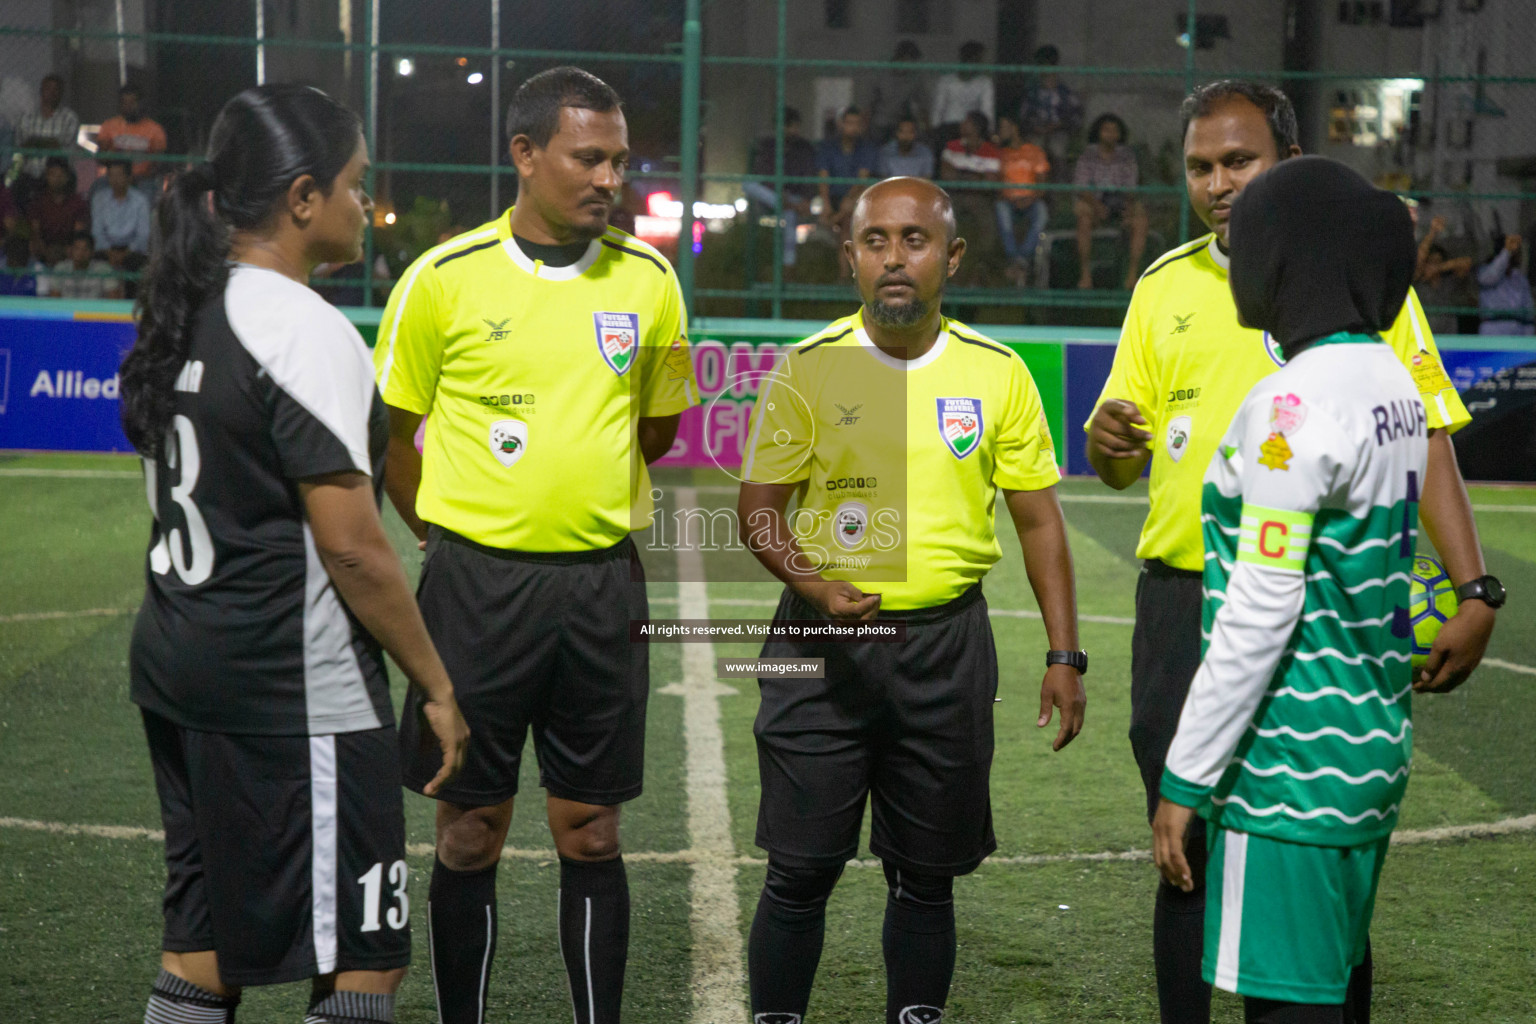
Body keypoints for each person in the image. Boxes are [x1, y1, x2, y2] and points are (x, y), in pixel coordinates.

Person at [1083, 79, 1498, 1024]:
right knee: (1185, 854)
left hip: (1304, 613)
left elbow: (1428, 429)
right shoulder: (1163, 287)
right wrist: (1108, 450)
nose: (1220, 183)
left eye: (1240, 162)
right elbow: (1122, 454)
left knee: (1304, 842)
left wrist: (1475, 584)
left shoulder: (1352, 278)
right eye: (1199, 167)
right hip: (1184, 604)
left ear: (1290, 164)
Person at [117, 83, 468, 1024]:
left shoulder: (187, 305)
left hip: (180, 666)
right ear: (303, 198)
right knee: (366, 959)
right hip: (288, 686)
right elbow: (354, 551)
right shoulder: (304, 328)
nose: (366, 203)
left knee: (203, 945)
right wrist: (435, 685)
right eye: (356, 184)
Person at [371, 66, 699, 1024]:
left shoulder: (651, 281)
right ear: (525, 154)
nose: (609, 178)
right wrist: (454, 538)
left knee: (592, 832)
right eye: (588, 157)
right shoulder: (442, 280)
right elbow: (394, 441)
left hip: (602, 589)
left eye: (619, 160)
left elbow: (658, 429)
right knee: (469, 831)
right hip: (474, 593)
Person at [738, 176, 1086, 1024]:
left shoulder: (997, 374)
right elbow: (758, 513)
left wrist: (1064, 655)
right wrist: (815, 583)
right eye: (877, 241)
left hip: (946, 649)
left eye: (916, 241)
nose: (896, 258)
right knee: (799, 871)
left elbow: (1040, 524)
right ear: (850, 254)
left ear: (952, 256)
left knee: (927, 878)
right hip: (819, 652)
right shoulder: (807, 369)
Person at [1153, 156, 1436, 1024]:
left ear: (1285, 259)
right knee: (1332, 988)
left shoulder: (1290, 406)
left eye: (1248, 244)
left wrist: (1185, 776)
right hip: (1368, 748)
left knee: (1288, 1008)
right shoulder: (1389, 382)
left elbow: (1260, 610)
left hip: (1294, 770)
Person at [1073, 112, 1147, 290]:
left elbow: (1131, 187)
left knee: (1140, 219)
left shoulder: (1127, 156)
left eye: (1114, 131)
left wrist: (1127, 206)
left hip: (1120, 204)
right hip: (1094, 204)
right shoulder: (1087, 155)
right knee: (1083, 216)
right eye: (1106, 130)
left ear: (1120, 134)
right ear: (1098, 132)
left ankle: (1132, 276)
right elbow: (1081, 188)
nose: (1110, 134)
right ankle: (1085, 275)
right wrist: (1097, 206)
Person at [745, 106, 819, 267]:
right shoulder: (768, 146)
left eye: (794, 126)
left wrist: (806, 199)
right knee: (748, 184)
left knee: (789, 215)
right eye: (789, 126)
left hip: (794, 198)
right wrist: (780, 193)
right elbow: (764, 174)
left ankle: (788, 266)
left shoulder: (803, 147)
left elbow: (809, 175)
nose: (793, 130)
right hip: (771, 197)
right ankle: (785, 203)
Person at [939, 110, 1003, 274]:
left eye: (966, 123)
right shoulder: (952, 146)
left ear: (976, 127)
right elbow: (946, 175)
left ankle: (981, 265)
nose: (962, 125)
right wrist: (977, 176)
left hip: (980, 197)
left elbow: (991, 181)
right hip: (955, 195)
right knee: (945, 220)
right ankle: (943, 263)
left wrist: (961, 174)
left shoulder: (991, 150)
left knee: (988, 225)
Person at [993, 113, 1051, 283]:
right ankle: (1016, 259)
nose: (1000, 131)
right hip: (1007, 201)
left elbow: (1042, 183)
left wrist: (1029, 198)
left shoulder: (1034, 152)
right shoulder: (999, 154)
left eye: (1003, 127)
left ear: (1014, 128)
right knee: (1001, 210)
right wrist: (1010, 198)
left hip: (1031, 200)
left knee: (1042, 213)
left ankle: (1021, 259)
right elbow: (995, 183)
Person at [14, 74, 80, 206]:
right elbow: (20, 149)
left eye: (56, 89)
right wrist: (47, 142)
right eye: (48, 88)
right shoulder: (26, 118)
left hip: (59, 175)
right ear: (41, 91)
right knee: (10, 183)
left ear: (61, 93)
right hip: (29, 173)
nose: (52, 92)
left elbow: (59, 147)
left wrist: (34, 141)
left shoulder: (70, 118)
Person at [1018, 45, 1083, 175]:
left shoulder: (1065, 93)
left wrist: (1059, 125)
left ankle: (1059, 187)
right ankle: (1034, 187)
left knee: (1058, 149)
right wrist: (1034, 127)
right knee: (1035, 148)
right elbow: (1023, 115)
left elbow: (1076, 116)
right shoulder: (1032, 92)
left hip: (1059, 132)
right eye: (1040, 65)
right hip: (1036, 132)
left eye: (1046, 65)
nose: (1043, 69)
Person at [817, 105, 878, 242]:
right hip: (833, 196)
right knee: (828, 209)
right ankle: (833, 220)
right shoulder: (828, 147)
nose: (853, 128)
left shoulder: (867, 148)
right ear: (841, 124)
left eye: (857, 124)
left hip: (856, 197)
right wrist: (825, 203)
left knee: (848, 219)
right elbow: (823, 176)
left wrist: (848, 199)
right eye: (849, 123)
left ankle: (832, 221)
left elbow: (862, 180)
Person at [96, 83, 169, 186]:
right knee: (97, 187)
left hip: (143, 180)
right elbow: (100, 157)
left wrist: (140, 177)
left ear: (141, 103)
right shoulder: (109, 126)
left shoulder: (155, 129)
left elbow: (159, 163)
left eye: (132, 102)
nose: (128, 107)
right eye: (124, 103)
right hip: (114, 178)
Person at [26, 155, 89, 264]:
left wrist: (67, 249)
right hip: (44, 249)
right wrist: (44, 249)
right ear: (46, 176)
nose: (57, 179)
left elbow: (78, 233)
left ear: (68, 177)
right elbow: (35, 230)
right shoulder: (39, 201)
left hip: (68, 250)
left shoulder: (78, 202)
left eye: (61, 175)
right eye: (53, 175)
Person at [865, 39, 930, 142]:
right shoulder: (881, 74)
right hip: (880, 121)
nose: (911, 64)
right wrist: (865, 128)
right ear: (901, 57)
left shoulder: (914, 78)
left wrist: (927, 128)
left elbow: (923, 106)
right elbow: (868, 104)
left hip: (900, 123)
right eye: (909, 60)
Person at [929, 40, 993, 145]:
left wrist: (989, 131)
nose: (982, 63)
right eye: (980, 59)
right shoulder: (946, 81)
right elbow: (938, 108)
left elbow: (987, 110)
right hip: (949, 128)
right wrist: (934, 130)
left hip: (973, 129)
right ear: (973, 59)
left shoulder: (984, 82)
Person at [91, 159, 152, 262]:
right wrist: (109, 252)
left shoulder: (140, 200)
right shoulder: (99, 198)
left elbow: (143, 234)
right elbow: (97, 231)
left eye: (119, 175)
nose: (115, 179)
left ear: (129, 177)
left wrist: (126, 253)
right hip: (105, 250)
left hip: (132, 251)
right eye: (111, 175)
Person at [1475, 234, 1534, 335]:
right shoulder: (1485, 271)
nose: (1517, 254)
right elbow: (1491, 277)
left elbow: (1528, 310)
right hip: (1493, 327)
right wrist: (1507, 251)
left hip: (1518, 329)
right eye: (1513, 250)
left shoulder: (1520, 277)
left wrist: (1529, 336)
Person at [44, 230, 119, 299]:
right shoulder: (61, 268)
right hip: (68, 312)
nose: (80, 253)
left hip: (94, 312)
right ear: (71, 250)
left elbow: (113, 298)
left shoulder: (103, 269)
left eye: (85, 249)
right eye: (77, 248)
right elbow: (54, 299)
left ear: (92, 252)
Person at [876, 115, 935, 179]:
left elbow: (927, 180)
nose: (906, 136)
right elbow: (883, 180)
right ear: (897, 133)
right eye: (902, 132)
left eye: (910, 132)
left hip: (917, 188)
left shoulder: (925, 153)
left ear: (915, 134)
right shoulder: (886, 151)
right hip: (892, 188)